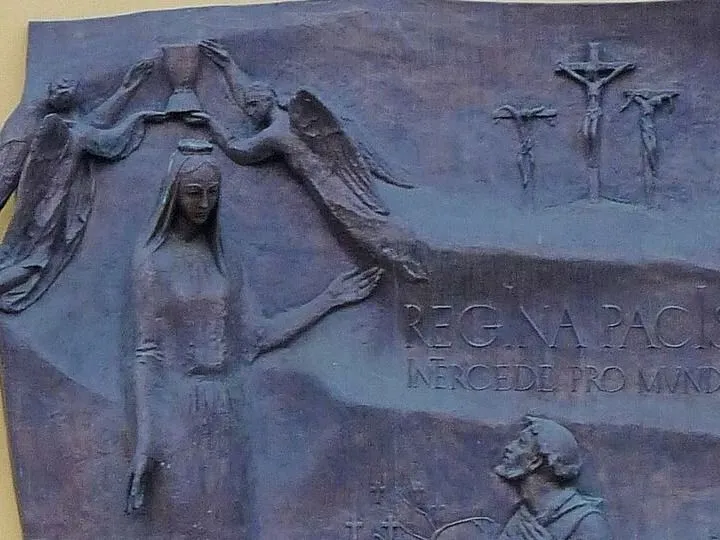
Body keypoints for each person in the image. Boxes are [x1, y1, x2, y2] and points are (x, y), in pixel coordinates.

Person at [126, 140, 383, 535]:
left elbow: (258, 335)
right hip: (177, 409)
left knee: (231, 520)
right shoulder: (152, 262)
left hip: (226, 408)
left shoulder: (225, 260)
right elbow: (147, 353)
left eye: (212, 193)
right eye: (193, 193)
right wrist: (146, 439)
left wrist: (331, 299)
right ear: (173, 193)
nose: (203, 203)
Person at [191, 39, 427, 282]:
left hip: (327, 185)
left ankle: (405, 261)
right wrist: (228, 66)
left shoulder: (275, 134)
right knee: (365, 220)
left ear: (267, 101)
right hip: (329, 179)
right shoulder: (290, 117)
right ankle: (406, 257)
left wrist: (211, 124)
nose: (249, 111)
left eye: (253, 106)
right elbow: (247, 95)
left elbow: (239, 151)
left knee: (360, 224)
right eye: (248, 106)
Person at [0, 59, 161, 312]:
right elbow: (103, 140)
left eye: (70, 86)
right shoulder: (48, 128)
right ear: (50, 92)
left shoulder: (69, 126)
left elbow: (96, 122)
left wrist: (128, 88)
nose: (67, 89)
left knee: (32, 262)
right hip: (47, 218)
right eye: (62, 86)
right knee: (33, 263)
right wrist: (140, 117)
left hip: (53, 214)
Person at [493, 416, 611, 540]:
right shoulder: (521, 520)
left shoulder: (587, 522)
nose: (509, 447)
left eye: (521, 443)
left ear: (535, 461)